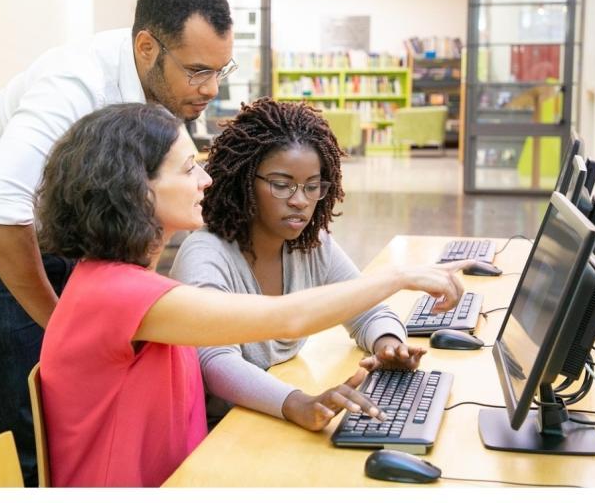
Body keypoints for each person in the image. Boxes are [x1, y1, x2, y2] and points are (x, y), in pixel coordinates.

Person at [35, 103, 468, 487]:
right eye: (189, 169)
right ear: (136, 188)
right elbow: (286, 319)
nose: (206, 179)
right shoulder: (119, 293)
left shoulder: (119, 282)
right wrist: (398, 276)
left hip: (189, 474)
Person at [0, 0, 236, 486]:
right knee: (26, 429)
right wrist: (62, 323)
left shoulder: (168, 89)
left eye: (222, 70)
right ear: (146, 47)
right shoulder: (74, 83)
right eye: (198, 70)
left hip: (56, 233)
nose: (210, 89)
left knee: (82, 409)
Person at [169, 98, 424, 431]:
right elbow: (214, 360)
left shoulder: (310, 244)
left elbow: (368, 310)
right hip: (217, 429)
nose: (300, 201)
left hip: (273, 419)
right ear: (244, 182)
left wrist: (389, 345)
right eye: (281, 184)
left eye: (311, 186)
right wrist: (297, 403)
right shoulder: (206, 254)